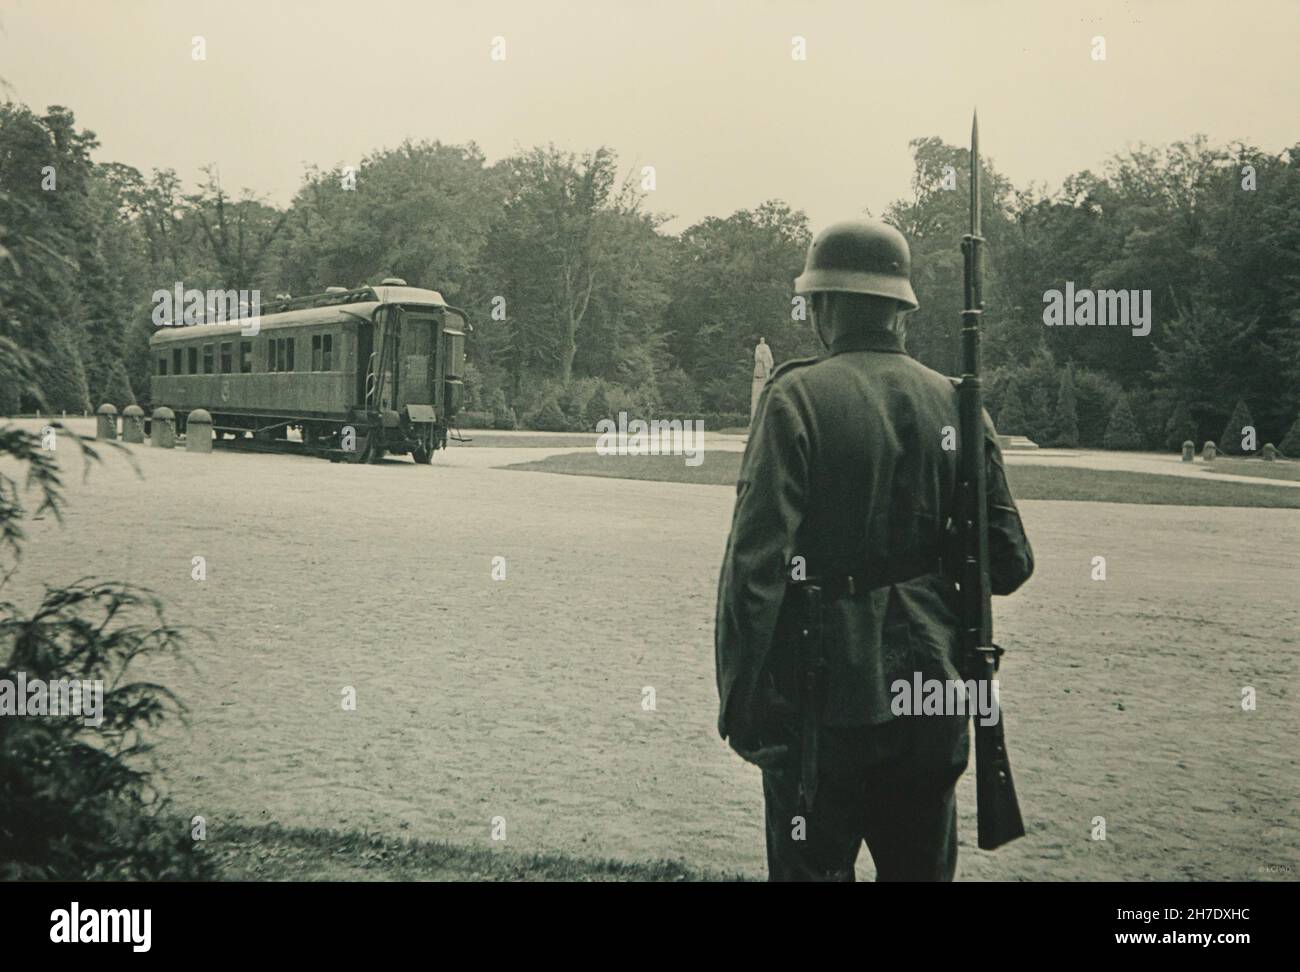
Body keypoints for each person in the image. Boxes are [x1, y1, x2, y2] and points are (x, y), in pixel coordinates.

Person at [714, 219, 1034, 881]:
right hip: (932, 695)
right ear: (901, 310)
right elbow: (1010, 563)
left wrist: (743, 702)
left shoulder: (795, 397)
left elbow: (754, 572)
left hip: (823, 697)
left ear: (821, 307)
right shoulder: (956, 402)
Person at [750, 338, 775, 421]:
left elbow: (769, 354)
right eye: (761, 340)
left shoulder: (766, 346)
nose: (762, 341)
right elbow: (757, 355)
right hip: (760, 363)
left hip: (766, 363)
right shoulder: (758, 347)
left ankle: (767, 378)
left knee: (767, 369)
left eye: (763, 340)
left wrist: (769, 360)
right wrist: (761, 356)